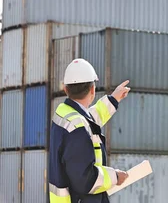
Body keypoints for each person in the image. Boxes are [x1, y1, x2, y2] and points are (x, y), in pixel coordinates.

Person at [49, 58, 131, 203]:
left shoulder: (64, 114)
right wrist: (115, 177)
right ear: (93, 90)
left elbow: (89, 120)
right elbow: (85, 180)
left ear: (65, 89)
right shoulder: (77, 130)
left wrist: (113, 99)